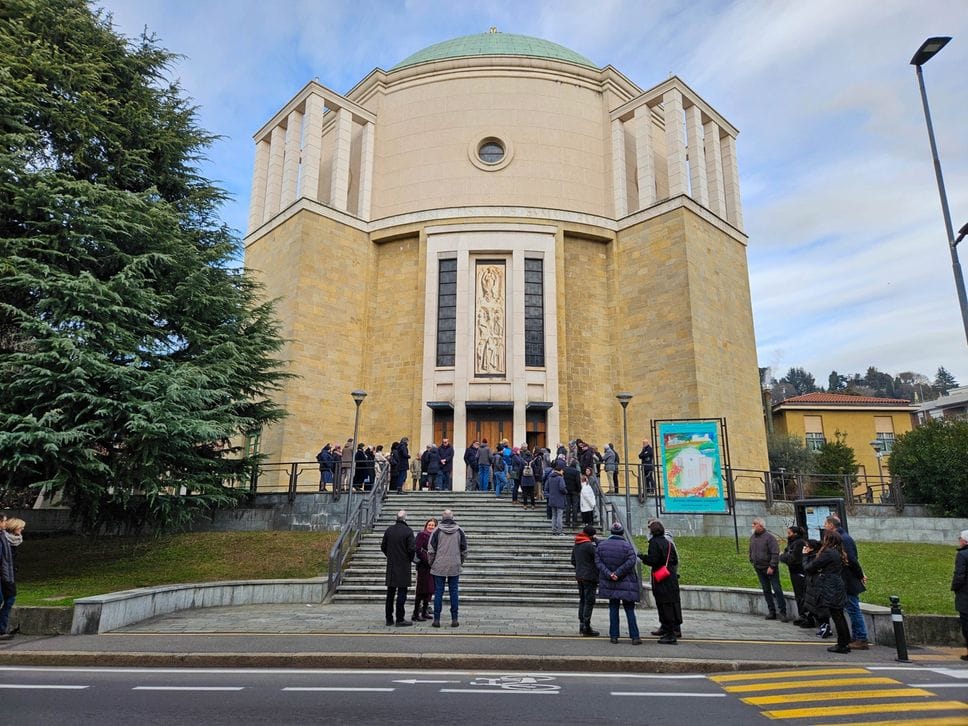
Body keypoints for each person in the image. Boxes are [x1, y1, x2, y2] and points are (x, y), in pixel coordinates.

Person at [804, 529, 854, 654]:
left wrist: (805, 556)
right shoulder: (838, 551)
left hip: (830, 586)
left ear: (828, 540)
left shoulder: (828, 553)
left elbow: (809, 567)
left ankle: (842, 644)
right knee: (839, 615)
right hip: (837, 584)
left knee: (837, 615)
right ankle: (845, 641)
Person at [824, 515, 869, 649]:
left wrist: (860, 575)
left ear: (831, 525)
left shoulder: (843, 539)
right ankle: (857, 637)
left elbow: (851, 560)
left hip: (847, 579)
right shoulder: (843, 537)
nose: (824, 527)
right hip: (846, 578)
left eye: (826, 524)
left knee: (853, 608)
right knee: (851, 608)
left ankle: (861, 638)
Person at [595, 522, 642, 645]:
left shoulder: (602, 545)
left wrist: (610, 574)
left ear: (611, 532)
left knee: (613, 609)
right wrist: (618, 573)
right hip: (626, 582)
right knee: (629, 610)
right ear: (622, 532)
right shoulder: (627, 546)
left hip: (610, 582)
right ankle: (635, 636)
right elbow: (632, 561)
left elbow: (598, 562)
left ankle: (614, 636)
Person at [639, 519, 681, 644]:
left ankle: (670, 635)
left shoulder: (654, 543)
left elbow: (653, 560)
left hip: (661, 578)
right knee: (671, 604)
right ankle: (671, 630)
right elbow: (674, 559)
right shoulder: (668, 543)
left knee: (664, 605)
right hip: (671, 576)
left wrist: (642, 557)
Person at [428, 508, 467, 628]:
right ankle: (454, 619)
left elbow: (431, 550)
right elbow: (464, 550)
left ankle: (437, 619)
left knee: (438, 592)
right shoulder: (459, 530)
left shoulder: (436, 531)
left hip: (439, 565)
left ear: (442, 518)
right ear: (452, 517)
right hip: (454, 565)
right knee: (454, 592)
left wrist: (432, 563)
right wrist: (460, 561)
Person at [380, 509, 415, 627]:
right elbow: (411, 549)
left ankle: (389, 618)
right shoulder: (408, 531)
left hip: (391, 565)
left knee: (390, 593)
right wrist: (408, 559)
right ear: (405, 518)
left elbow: (383, 546)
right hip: (404, 566)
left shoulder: (389, 530)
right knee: (402, 593)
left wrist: (390, 556)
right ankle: (400, 618)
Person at [749, 517, 788, 622]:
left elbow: (775, 553)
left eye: (754, 523)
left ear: (761, 526)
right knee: (766, 590)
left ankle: (783, 612)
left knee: (777, 589)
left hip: (770, 568)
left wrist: (772, 566)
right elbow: (751, 550)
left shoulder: (769, 538)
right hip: (759, 568)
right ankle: (772, 611)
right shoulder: (753, 537)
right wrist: (752, 561)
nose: (752, 525)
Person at [571, 525, 600, 637]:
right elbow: (599, 555)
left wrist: (580, 568)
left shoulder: (577, 544)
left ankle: (582, 623)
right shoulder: (589, 546)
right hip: (590, 577)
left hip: (580, 576)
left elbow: (573, 560)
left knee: (582, 599)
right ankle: (587, 627)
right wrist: (597, 541)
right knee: (589, 601)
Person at [780, 525, 808, 625]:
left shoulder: (799, 543)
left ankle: (805, 616)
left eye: (789, 533)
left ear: (795, 534)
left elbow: (792, 558)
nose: (788, 535)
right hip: (794, 572)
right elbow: (786, 555)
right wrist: (784, 556)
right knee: (798, 595)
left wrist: (783, 556)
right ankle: (802, 615)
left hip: (799, 572)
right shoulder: (792, 543)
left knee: (801, 595)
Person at [0, 517, 22, 640]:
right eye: (20, 527)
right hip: (5, 575)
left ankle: (2, 629)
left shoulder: (11, 540)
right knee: (6, 599)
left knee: (9, 599)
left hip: (8, 574)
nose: (22, 529)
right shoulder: (4, 539)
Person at [413, 518, 438, 622]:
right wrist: (427, 560)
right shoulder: (422, 535)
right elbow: (417, 549)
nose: (431, 526)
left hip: (432, 567)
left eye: (433, 525)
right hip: (423, 566)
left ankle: (424, 611)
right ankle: (415, 613)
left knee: (429, 590)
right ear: (426, 525)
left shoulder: (436, 536)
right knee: (421, 590)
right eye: (429, 525)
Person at [952, 529, 968, 661]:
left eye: (960, 538)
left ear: (965, 540)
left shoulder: (962, 555)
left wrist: (955, 587)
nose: (959, 540)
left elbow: (959, 575)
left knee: (966, 624)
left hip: (965, 595)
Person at [543, 462, 568, 536]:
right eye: (562, 471)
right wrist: (566, 491)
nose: (563, 472)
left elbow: (546, 488)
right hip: (560, 499)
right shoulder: (560, 478)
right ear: (560, 470)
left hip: (552, 499)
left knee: (554, 515)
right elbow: (562, 488)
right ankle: (560, 531)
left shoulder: (550, 478)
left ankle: (554, 530)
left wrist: (549, 495)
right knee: (559, 516)